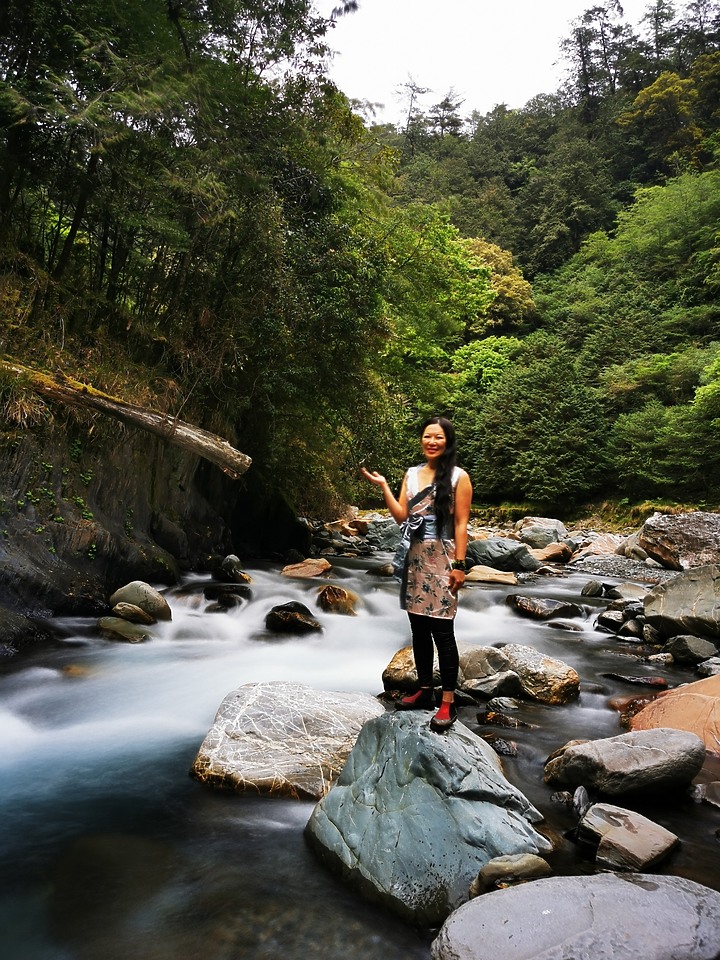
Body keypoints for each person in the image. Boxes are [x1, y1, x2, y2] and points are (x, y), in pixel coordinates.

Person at [361, 416, 472, 731]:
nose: (432, 442)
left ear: (447, 442)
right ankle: (425, 690)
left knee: (443, 633)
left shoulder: (458, 478)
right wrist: (383, 485)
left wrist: (461, 565)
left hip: (445, 558)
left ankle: (447, 702)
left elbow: (462, 523)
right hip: (414, 557)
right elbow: (401, 517)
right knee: (419, 629)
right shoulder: (410, 474)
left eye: (438, 437)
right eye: (427, 436)